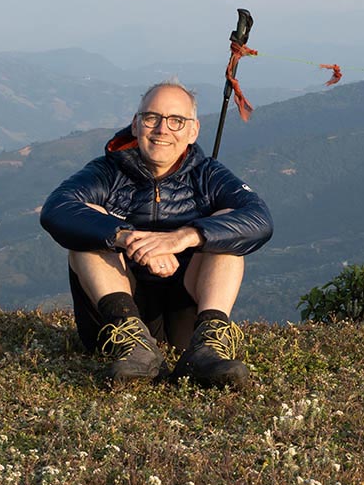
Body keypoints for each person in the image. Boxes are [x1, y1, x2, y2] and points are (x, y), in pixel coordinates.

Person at [41, 80, 272, 388]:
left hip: (183, 320)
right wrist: (127, 237)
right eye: (152, 118)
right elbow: (56, 209)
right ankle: (131, 342)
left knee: (226, 229)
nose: (163, 129)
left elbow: (260, 219)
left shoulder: (208, 174)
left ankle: (208, 347)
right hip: (115, 320)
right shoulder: (107, 171)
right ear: (136, 125)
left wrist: (183, 237)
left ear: (193, 131)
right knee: (90, 227)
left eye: (177, 121)